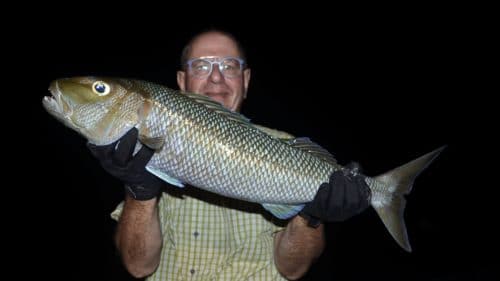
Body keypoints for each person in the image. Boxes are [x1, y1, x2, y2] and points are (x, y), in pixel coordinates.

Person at [87, 29, 371, 280]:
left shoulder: (286, 146)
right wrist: (139, 192)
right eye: (200, 66)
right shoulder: (144, 149)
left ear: (245, 79)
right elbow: (138, 266)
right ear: (181, 81)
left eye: (229, 66)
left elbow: (292, 269)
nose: (216, 78)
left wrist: (310, 216)